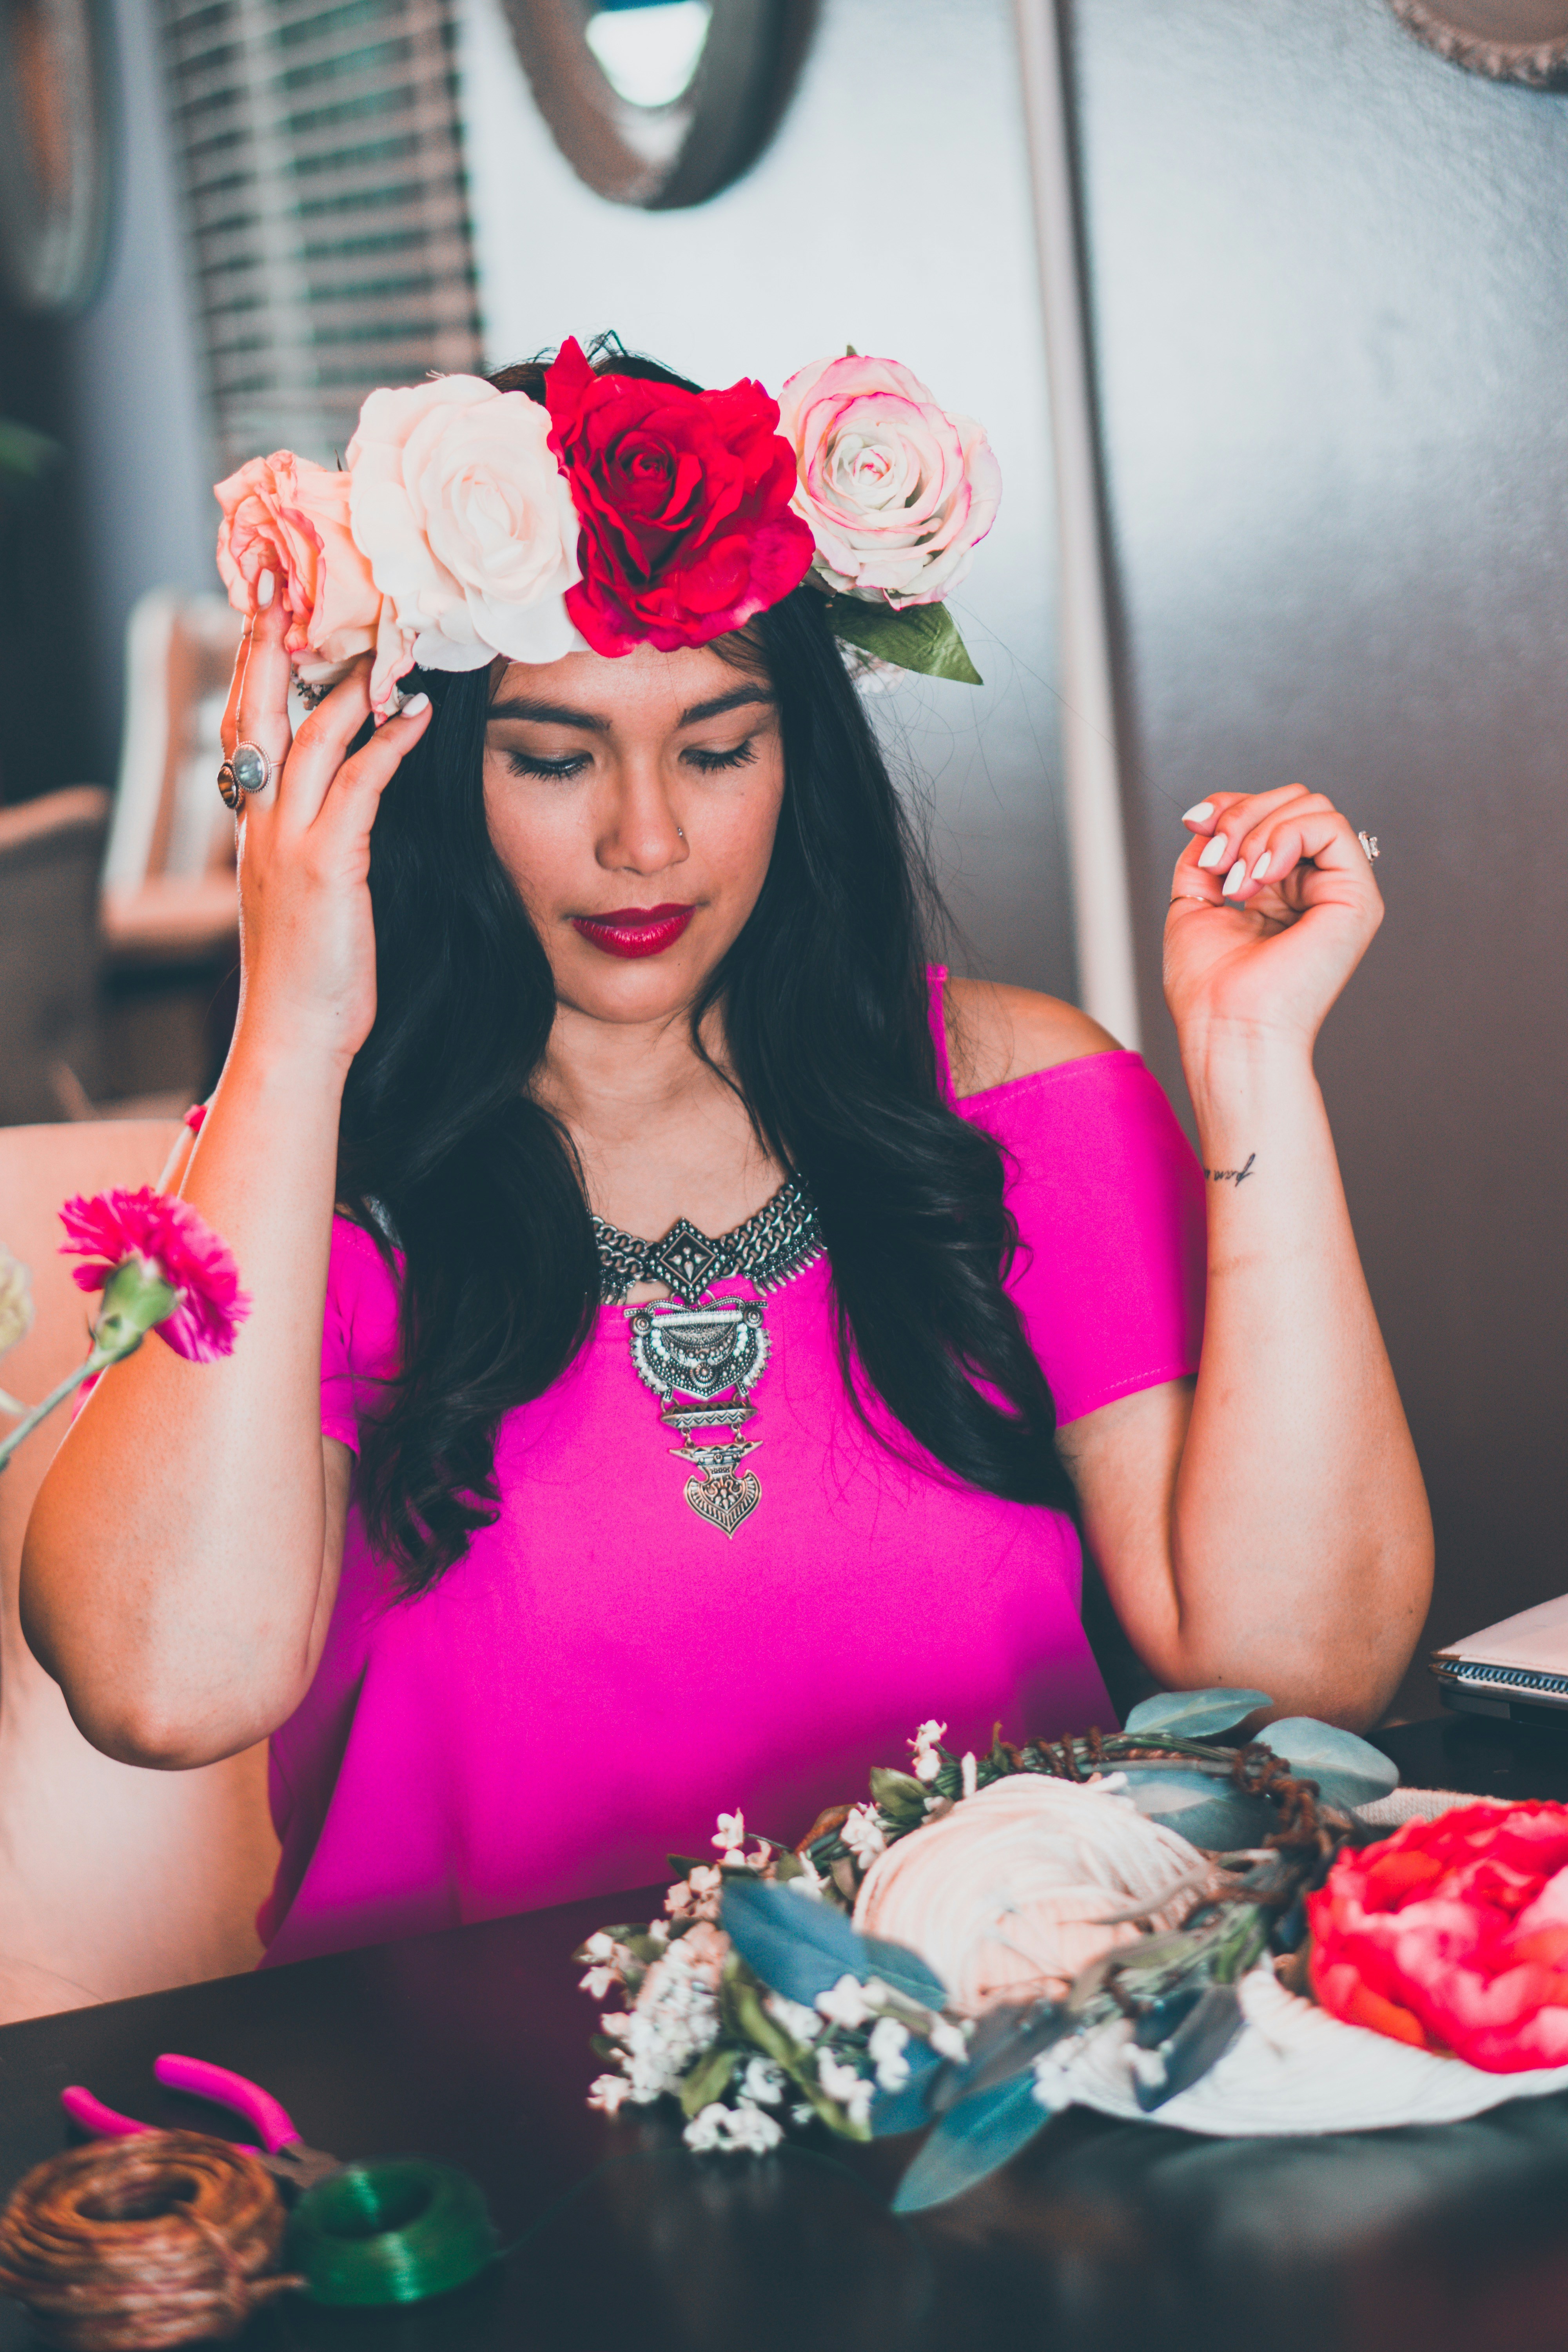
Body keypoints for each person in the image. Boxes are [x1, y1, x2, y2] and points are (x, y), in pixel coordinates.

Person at [22, 341, 1432, 1964]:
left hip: (1026, 2090)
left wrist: (1254, 1062)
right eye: (551, 757)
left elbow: (1309, 1668)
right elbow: (161, 1690)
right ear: (411, 773)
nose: (648, 840)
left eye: (716, 746)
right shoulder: (307, 1174)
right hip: (498, 2141)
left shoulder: (1018, 1099)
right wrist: (290, 1023)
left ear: (797, 758)